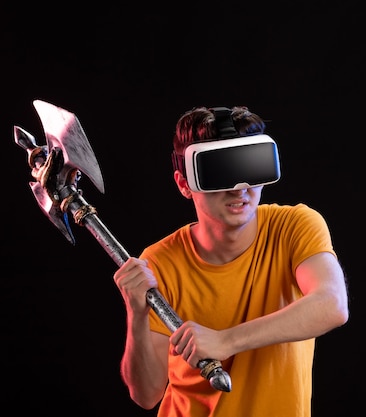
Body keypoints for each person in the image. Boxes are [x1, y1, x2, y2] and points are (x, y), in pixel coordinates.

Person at [112, 105, 349, 417]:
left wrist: (225, 341)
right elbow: (146, 395)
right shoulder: (159, 263)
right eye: (219, 171)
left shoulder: (295, 226)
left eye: (250, 166)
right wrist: (137, 316)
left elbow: (332, 304)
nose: (241, 188)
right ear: (184, 184)